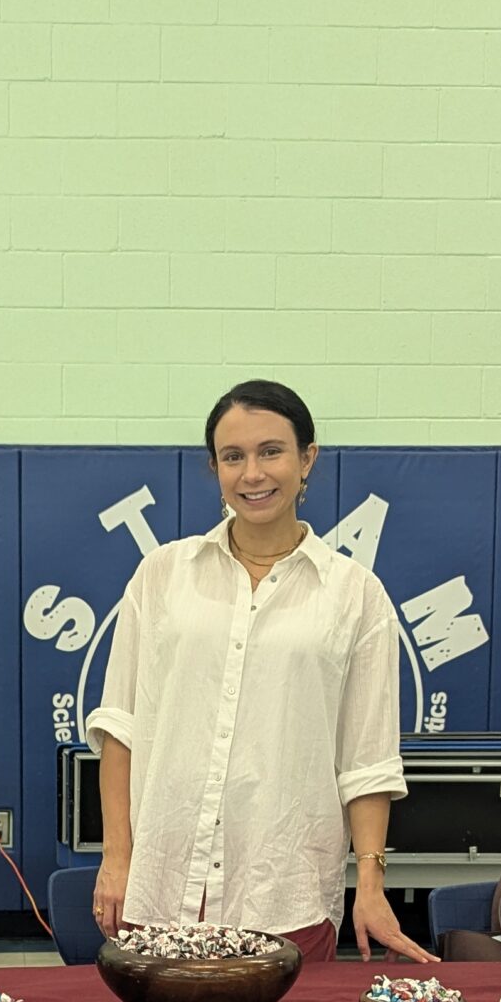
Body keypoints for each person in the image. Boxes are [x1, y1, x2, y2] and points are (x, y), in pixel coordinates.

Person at [87, 380, 435, 966]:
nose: (253, 473)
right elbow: (120, 726)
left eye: (271, 451)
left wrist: (370, 885)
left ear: (307, 460)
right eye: (233, 457)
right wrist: (117, 856)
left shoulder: (357, 596)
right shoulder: (162, 575)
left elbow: (368, 759)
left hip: (285, 895)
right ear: (216, 469)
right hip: (161, 888)